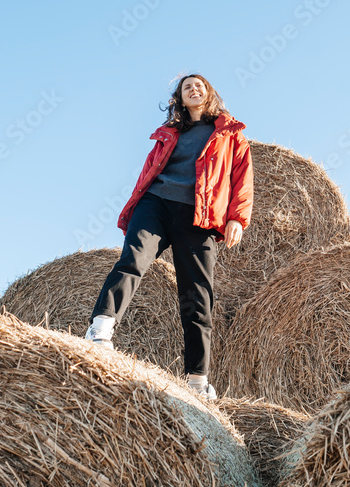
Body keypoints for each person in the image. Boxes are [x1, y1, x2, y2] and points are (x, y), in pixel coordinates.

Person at [85, 73, 253, 400]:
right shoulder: (168, 133)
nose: (193, 89)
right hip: (157, 204)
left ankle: (197, 378)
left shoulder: (230, 133)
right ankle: (101, 329)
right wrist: (135, 207)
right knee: (132, 261)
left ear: (209, 94)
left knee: (197, 294)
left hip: (200, 215)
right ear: (180, 97)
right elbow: (149, 172)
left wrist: (237, 218)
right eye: (186, 87)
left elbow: (242, 178)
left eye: (199, 86)